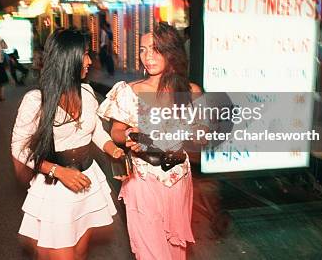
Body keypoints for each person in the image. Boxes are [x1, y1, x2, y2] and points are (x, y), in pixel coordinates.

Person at [11, 29, 125, 259]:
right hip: (56, 189)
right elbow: (19, 148)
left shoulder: (86, 91)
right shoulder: (36, 100)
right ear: (67, 57)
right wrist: (58, 171)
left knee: (80, 254)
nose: (90, 61)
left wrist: (113, 148)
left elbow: (95, 131)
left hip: (88, 183)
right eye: (84, 54)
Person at [97, 22, 205, 259]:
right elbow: (116, 131)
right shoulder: (128, 91)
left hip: (178, 180)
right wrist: (129, 136)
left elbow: (202, 138)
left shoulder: (190, 91)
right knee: (150, 252)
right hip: (143, 180)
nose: (147, 56)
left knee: (176, 250)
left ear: (171, 52)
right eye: (143, 50)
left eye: (155, 49)